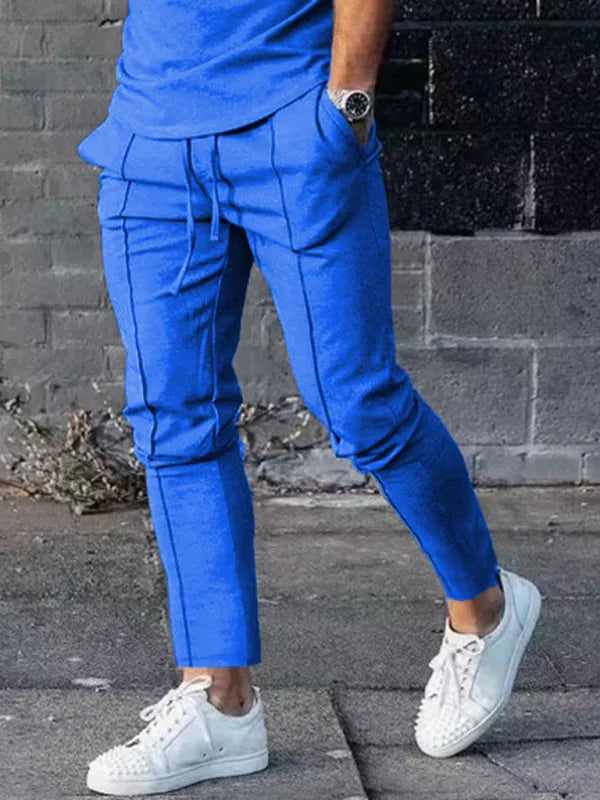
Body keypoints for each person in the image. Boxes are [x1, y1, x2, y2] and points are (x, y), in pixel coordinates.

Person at [77, 0, 542, 795]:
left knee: (359, 403)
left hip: (293, 124)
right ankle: (219, 702)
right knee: (173, 419)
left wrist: (347, 103)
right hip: (150, 139)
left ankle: (486, 608)